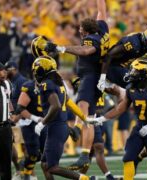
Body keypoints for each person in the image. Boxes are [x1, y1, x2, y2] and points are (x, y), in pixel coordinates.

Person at [39, 0, 109, 170]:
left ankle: (77, 130)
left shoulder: (90, 40)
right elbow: (102, 10)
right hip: (95, 76)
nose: (79, 31)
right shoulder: (103, 28)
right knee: (89, 117)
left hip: (90, 76)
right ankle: (85, 153)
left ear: (86, 31)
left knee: (83, 108)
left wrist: (61, 49)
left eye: (80, 29)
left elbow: (85, 51)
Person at [88, 59, 147, 180]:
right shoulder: (131, 88)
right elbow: (120, 108)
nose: (131, 73)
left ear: (144, 74)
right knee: (128, 158)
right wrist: (102, 119)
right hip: (139, 126)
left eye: (135, 71)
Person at [31, 56, 95, 179]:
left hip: (56, 127)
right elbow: (69, 102)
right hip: (60, 127)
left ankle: (83, 178)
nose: (35, 73)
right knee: (45, 164)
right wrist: (83, 117)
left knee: (52, 167)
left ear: (42, 70)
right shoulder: (59, 83)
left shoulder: (47, 84)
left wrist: (42, 123)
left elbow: (56, 106)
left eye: (36, 70)